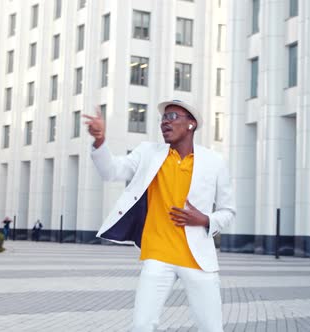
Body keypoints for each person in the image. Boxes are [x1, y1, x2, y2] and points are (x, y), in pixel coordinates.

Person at [83, 100, 235, 332]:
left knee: (211, 327)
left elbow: (228, 210)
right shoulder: (148, 152)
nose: (165, 122)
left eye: (172, 116)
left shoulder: (214, 162)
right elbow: (111, 171)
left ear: (191, 124)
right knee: (142, 325)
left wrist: (205, 220)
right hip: (158, 255)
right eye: (163, 118)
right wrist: (100, 140)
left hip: (197, 260)